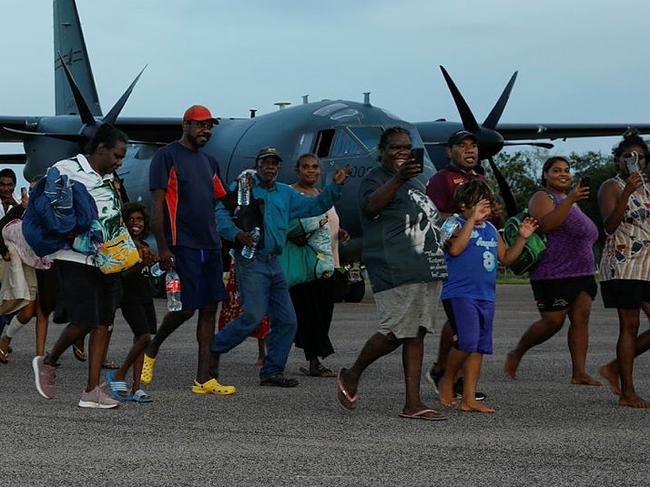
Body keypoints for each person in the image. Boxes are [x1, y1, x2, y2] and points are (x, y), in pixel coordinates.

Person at [213, 146, 350, 388]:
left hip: (274, 263)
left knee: (287, 321)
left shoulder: (285, 193)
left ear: (279, 166)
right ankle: (213, 350)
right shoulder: (244, 187)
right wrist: (235, 234)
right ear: (258, 165)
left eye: (274, 163)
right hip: (252, 260)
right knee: (253, 316)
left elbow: (314, 206)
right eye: (266, 162)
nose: (270, 167)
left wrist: (335, 187)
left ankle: (272, 371)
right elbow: (221, 211)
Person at [336, 127, 448, 420]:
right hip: (394, 266)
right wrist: (398, 178)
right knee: (395, 331)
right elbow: (371, 207)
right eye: (395, 148)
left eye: (407, 147)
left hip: (424, 266)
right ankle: (351, 373)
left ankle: (412, 403)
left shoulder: (416, 184)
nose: (402, 152)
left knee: (416, 333)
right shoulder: (375, 178)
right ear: (382, 152)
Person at [32, 124, 128, 409]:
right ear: (100, 148)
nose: (119, 162)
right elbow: (49, 209)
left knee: (103, 323)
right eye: (117, 155)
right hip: (74, 257)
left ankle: (91, 391)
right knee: (85, 319)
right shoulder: (66, 169)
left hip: (106, 258)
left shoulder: (111, 178)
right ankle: (48, 361)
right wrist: (73, 230)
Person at [142, 105, 234, 396]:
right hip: (182, 243)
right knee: (185, 307)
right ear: (185, 125)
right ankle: (152, 347)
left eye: (210, 126)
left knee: (210, 308)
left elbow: (221, 199)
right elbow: (156, 205)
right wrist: (163, 246)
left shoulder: (210, 162)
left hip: (210, 243)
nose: (206, 131)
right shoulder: (166, 156)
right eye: (200, 125)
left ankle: (203, 379)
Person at [437, 181, 538, 413]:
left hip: (486, 296)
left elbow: (506, 258)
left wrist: (522, 238)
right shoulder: (452, 222)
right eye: (479, 205)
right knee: (467, 340)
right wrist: (471, 221)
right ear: (464, 205)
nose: (485, 210)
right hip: (460, 293)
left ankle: (469, 398)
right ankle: (447, 380)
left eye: (487, 206)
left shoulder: (491, 229)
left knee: (479, 347)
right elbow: (454, 249)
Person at [504, 157, 601, 385]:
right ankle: (517, 352)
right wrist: (570, 201)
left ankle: (579, 373)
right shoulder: (543, 197)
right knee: (553, 322)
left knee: (581, 319)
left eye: (567, 170)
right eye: (556, 170)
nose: (563, 174)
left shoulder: (570, 200)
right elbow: (547, 225)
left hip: (582, 272)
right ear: (545, 174)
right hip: (553, 272)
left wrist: (570, 201)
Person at [424, 130, 490, 400]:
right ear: (449, 151)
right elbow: (433, 213)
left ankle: (448, 372)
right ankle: (449, 376)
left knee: (465, 321)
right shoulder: (442, 178)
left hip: (479, 256)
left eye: (473, 145)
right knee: (461, 319)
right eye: (462, 145)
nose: (469, 150)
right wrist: (466, 217)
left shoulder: (481, 179)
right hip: (455, 252)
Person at [596, 131, 650, 408]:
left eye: (640, 157)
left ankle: (614, 368)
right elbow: (609, 225)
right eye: (628, 156)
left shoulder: (649, 188)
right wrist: (627, 191)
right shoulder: (612, 186)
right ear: (618, 160)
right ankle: (628, 392)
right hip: (624, 262)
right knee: (630, 324)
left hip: (648, 265)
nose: (635, 161)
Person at [289, 153, 349, 377]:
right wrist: (293, 236)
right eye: (306, 167)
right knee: (309, 313)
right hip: (306, 264)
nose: (311, 171)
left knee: (324, 312)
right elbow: (285, 224)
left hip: (329, 263)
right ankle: (314, 361)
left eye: (315, 167)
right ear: (297, 170)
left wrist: (340, 233)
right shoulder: (291, 194)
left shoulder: (324, 195)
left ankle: (313, 355)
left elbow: (328, 224)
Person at [105, 202, 157, 403]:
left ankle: (137, 387)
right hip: (129, 296)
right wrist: (142, 263)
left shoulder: (144, 245)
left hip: (145, 295)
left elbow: (147, 272)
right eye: (132, 220)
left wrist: (157, 263)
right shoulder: (123, 245)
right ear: (124, 223)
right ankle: (120, 374)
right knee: (143, 336)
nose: (136, 223)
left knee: (144, 340)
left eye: (140, 219)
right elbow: (124, 275)